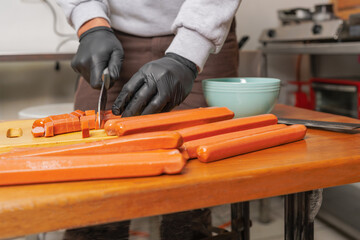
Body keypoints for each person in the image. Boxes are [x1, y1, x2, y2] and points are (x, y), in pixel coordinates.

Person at [56, 1, 242, 239]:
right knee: (89, 184)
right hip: (113, 33)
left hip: (201, 29)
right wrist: (91, 23)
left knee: (191, 186)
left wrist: (187, 54)